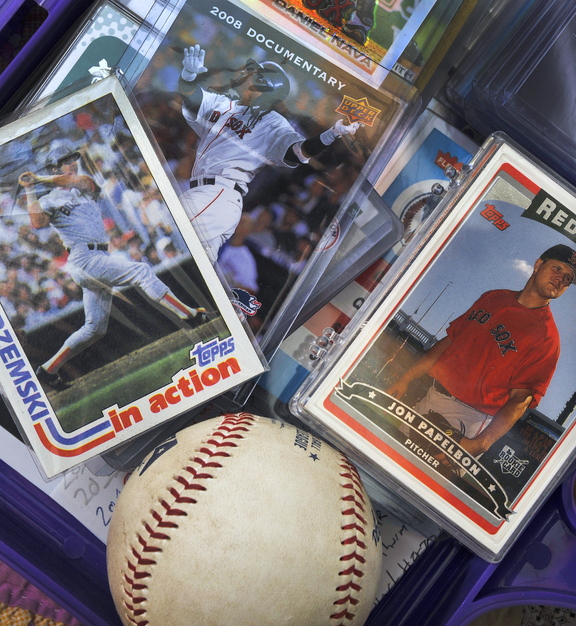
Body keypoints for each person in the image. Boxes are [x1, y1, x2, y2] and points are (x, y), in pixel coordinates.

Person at [18, 144, 208, 391]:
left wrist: (40, 177)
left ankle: (47, 370)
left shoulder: (82, 188)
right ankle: (190, 315)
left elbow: (83, 181)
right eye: (66, 160)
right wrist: (31, 189)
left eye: (73, 159)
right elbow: (37, 222)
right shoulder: (49, 200)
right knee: (142, 271)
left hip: (96, 256)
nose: (72, 162)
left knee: (94, 328)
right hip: (84, 257)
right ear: (55, 166)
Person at [388, 244, 576, 459]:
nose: (561, 279)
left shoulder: (547, 338)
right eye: (557, 268)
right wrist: (406, 378)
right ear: (538, 265)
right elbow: (450, 342)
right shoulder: (493, 298)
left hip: (467, 418)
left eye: (569, 278)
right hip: (430, 395)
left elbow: (521, 398)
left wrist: (483, 442)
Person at [177, 44, 361, 262]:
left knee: (170, 233)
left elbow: (297, 152)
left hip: (218, 195)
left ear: (264, 89)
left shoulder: (273, 123)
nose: (246, 81)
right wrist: (189, 75)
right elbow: (192, 96)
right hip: (208, 195)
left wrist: (330, 135)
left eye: (254, 79)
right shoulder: (227, 106)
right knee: (188, 263)